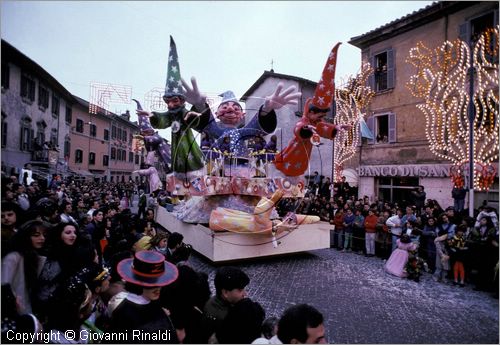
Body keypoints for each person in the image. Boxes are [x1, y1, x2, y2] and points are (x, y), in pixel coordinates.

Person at [136, 36, 208, 175]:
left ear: (181, 100)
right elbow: (163, 120)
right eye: (168, 101)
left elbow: (190, 117)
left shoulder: (182, 112)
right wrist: (153, 116)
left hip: (188, 149)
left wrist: (194, 113)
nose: (171, 104)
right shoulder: (171, 114)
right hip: (176, 152)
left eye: (174, 100)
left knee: (191, 164)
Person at [108, 250, 179, 343]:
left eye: (159, 283)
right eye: (151, 284)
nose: (158, 289)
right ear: (138, 282)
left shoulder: (118, 301)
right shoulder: (119, 303)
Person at [1, 220, 48, 314]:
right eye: (36, 235)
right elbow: (4, 285)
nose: (42, 238)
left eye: (44, 235)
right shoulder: (13, 257)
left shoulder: (34, 257)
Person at [202, 266, 250, 342]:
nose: (245, 294)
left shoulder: (218, 302)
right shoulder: (226, 318)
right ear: (225, 293)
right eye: (240, 290)